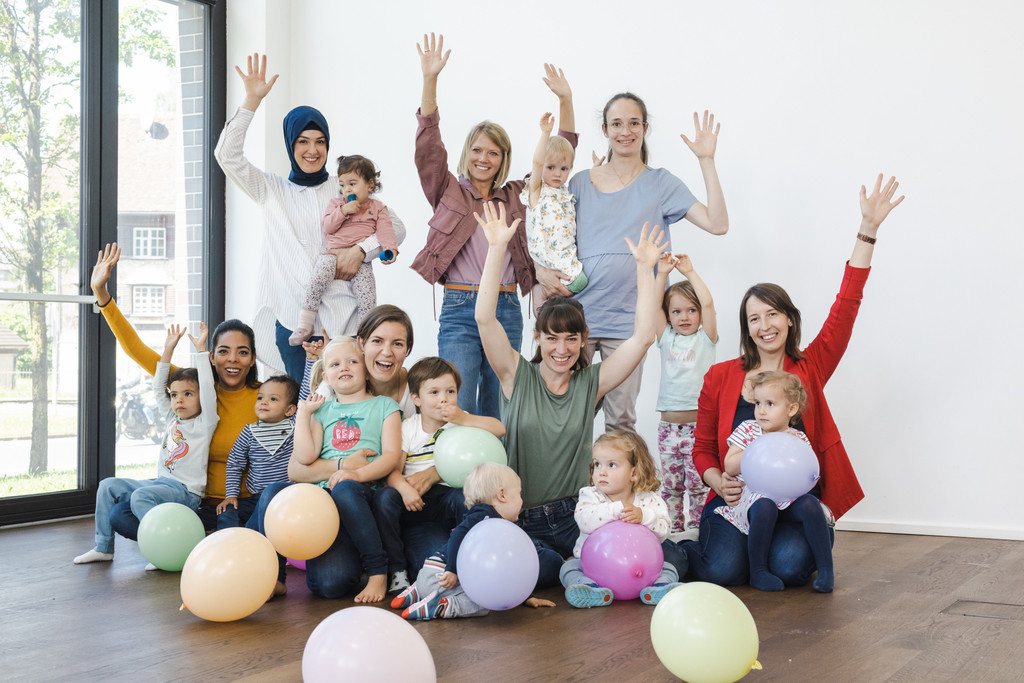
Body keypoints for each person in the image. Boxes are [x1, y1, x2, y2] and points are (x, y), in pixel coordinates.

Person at [682, 174, 905, 587]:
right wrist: (718, 482)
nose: (765, 325)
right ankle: (678, 552)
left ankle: (788, 546)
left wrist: (868, 229)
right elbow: (702, 450)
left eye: (772, 314)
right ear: (747, 328)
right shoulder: (720, 375)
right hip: (740, 501)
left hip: (794, 502)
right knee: (723, 571)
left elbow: (846, 307)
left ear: (788, 319)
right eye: (754, 319)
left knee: (790, 568)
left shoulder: (811, 365)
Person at [474, 201, 681, 588]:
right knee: (543, 570)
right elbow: (484, 319)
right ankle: (569, 569)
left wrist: (644, 270)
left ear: (584, 339)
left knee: (669, 556)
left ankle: (585, 569)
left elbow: (641, 339)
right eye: (552, 338)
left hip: (580, 516)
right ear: (538, 338)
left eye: (571, 338)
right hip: (524, 516)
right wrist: (497, 247)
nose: (562, 348)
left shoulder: (591, 383)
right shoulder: (515, 374)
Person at [410, 33, 577, 418]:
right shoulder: (448, 190)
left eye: (493, 152)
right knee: (457, 403)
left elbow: (559, 155)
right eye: (477, 150)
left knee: (500, 405)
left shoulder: (519, 196)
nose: (484, 158)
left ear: (503, 159)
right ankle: (456, 464)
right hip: (460, 307)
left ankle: (498, 462)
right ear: (467, 153)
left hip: (506, 306)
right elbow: (428, 146)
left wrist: (565, 101)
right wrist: (430, 80)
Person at [214, 52, 406, 382]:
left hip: (345, 322)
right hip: (292, 324)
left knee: (345, 406)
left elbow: (396, 227)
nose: (312, 151)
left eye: (320, 142)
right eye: (303, 141)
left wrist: (360, 250)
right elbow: (226, 156)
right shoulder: (270, 189)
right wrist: (251, 102)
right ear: (291, 144)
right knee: (303, 406)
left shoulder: (344, 187)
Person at [564, 97, 728, 432]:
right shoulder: (579, 182)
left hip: (632, 323)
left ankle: (619, 471)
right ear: (605, 129)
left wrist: (707, 161)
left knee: (620, 420)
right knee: (568, 418)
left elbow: (717, 224)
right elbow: (555, 238)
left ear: (645, 128)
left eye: (634, 123)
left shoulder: (661, 183)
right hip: (578, 317)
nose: (625, 131)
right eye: (617, 124)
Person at [90, 243, 262, 537]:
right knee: (120, 514)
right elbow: (136, 350)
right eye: (224, 351)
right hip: (190, 502)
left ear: (253, 358)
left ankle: (203, 540)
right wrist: (101, 294)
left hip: (239, 504)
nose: (232, 359)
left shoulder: (264, 398)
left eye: (242, 352)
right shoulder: (190, 388)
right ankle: (185, 540)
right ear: (211, 357)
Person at [255, 336, 402, 603]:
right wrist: (304, 414)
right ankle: (275, 577)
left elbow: (392, 456)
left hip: (360, 494)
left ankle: (377, 571)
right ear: (326, 377)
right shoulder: (322, 411)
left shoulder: (385, 406)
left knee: (331, 584)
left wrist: (356, 474)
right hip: (321, 503)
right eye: (335, 364)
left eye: (352, 362)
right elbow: (305, 456)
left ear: (366, 370)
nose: (343, 367)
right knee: (274, 491)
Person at [75, 323, 217, 566]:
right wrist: (168, 350)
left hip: (186, 492)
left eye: (188, 394)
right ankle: (104, 547)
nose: (179, 400)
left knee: (141, 496)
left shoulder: (205, 423)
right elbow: (158, 386)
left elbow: (207, 386)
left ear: (201, 397)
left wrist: (201, 351)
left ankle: (161, 547)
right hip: (161, 484)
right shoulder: (172, 418)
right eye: (175, 395)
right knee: (107, 486)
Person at [374, 356, 505, 593]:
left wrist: (463, 418)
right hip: (414, 504)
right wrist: (404, 489)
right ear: (416, 399)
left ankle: (483, 553)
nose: (443, 398)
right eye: (434, 392)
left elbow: (500, 429)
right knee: (385, 498)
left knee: (463, 498)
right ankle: (397, 569)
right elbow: (392, 471)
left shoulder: (463, 422)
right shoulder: (409, 427)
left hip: (447, 498)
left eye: (450, 391)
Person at [714, 370, 833, 592]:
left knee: (810, 504)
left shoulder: (797, 438)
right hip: (754, 498)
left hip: (787, 498)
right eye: (758, 403)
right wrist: (760, 446)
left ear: (791, 409)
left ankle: (826, 570)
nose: (761, 411)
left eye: (770, 404)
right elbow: (729, 466)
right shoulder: (748, 430)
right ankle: (758, 571)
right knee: (765, 505)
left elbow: (806, 472)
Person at [390, 462, 556, 620]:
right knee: (484, 602)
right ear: (502, 495)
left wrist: (525, 596)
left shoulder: (489, 519)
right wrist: (452, 570)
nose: (521, 500)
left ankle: (418, 591)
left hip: (430, 574)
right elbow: (457, 535)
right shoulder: (486, 515)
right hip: (442, 577)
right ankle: (440, 607)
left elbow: (505, 571)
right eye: (519, 494)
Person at [560, 430, 683, 607]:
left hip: (640, 567)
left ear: (634, 473)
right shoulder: (591, 495)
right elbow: (585, 521)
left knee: (669, 567)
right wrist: (616, 509)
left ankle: (659, 588)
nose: (601, 472)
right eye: (597, 464)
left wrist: (644, 516)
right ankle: (590, 588)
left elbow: (664, 530)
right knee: (568, 568)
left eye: (611, 465)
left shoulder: (649, 499)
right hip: (592, 565)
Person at [289, 155, 398, 345]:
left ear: (370, 185)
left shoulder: (378, 208)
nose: (346, 189)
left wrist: (390, 249)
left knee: (368, 295)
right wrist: (343, 211)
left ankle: (365, 332)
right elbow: (328, 227)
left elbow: (386, 230)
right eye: (342, 185)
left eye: (352, 184)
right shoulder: (336, 204)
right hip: (332, 253)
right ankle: (305, 323)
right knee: (316, 281)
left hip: (362, 262)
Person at [653, 252, 717, 532]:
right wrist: (662, 275)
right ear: (668, 315)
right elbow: (653, 306)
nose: (684, 317)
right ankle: (673, 534)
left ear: (700, 314)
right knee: (671, 488)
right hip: (668, 430)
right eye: (676, 311)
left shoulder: (706, 339)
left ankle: (698, 533)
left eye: (691, 310)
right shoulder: (666, 338)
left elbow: (708, 302)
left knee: (698, 486)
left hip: (698, 429)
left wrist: (689, 271)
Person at [215, 375, 300, 529]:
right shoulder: (249, 432)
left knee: (269, 513)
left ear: (289, 410)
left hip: (287, 496)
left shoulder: (295, 426)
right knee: (227, 511)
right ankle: (230, 539)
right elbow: (234, 463)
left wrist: (311, 361)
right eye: (260, 398)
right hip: (256, 498)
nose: (264, 402)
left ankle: (251, 535)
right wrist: (231, 495)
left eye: (273, 399)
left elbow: (305, 394)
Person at [521, 111, 585, 311]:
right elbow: (537, 162)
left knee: (580, 283)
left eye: (564, 169)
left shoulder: (565, 193)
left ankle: (551, 299)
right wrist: (545, 133)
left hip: (565, 256)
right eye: (550, 167)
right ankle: (540, 293)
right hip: (548, 259)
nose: (557, 173)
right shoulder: (537, 191)